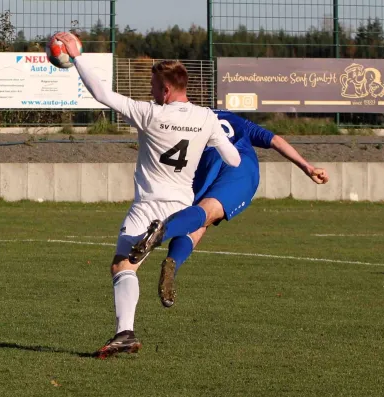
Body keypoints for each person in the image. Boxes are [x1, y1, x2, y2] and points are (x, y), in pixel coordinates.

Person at [53, 32, 241, 359]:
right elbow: (234, 159)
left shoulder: (150, 113)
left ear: (166, 91)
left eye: (154, 87)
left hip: (147, 206)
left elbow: (101, 93)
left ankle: (126, 330)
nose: (150, 92)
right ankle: (126, 330)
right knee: (148, 253)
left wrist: (75, 57)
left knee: (122, 266)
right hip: (182, 206)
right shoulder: (207, 118)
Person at [129, 110, 330, 307]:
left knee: (199, 220)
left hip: (201, 168)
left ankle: (168, 253)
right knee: (205, 216)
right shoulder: (233, 118)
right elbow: (274, 140)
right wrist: (308, 168)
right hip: (238, 166)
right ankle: (168, 250)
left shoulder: (185, 119)